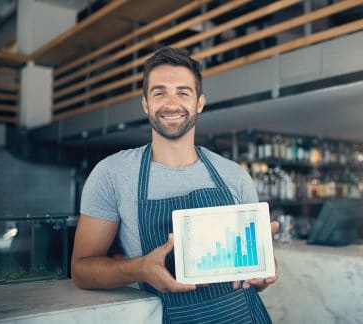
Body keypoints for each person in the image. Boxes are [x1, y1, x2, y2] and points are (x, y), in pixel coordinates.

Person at [71, 46, 278, 323]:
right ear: (146, 103)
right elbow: (82, 270)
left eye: (183, 92)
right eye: (159, 92)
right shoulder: (112, 174)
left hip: (244, 315)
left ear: (199, 103)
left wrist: (263, 271)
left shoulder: (234, 176)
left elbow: (257, 278)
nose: (171, 103)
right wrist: (139, 269)